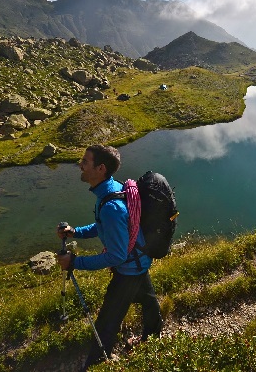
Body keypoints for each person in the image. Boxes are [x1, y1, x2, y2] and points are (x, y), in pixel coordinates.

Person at [56, 144, 162, 370]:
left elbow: (116, 256)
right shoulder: (111, 189)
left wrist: (75, 262)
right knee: (148, 300)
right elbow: (102, 226)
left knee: (106, 323)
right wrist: (76, 232)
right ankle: (153, 339)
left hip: (128, 270)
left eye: (85, 162)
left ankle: (95, 364)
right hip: (138, 261)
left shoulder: (111, 206)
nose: (80, 165)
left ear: (100, 168)